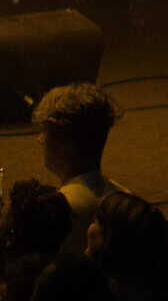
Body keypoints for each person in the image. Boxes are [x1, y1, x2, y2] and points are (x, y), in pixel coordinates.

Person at [32, 81, 123, 248]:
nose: (40, 140)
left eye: (46, 132)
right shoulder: (123, 198)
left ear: (66, 144)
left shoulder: (61, 210)